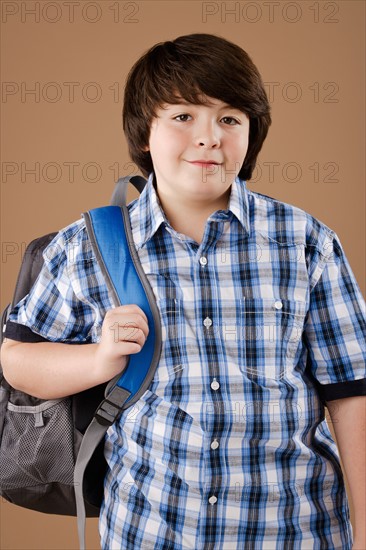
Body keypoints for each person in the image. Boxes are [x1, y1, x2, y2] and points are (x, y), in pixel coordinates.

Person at [1, 33, 365, 550]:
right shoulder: (88, 245)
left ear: (251, 134)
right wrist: (98, 360)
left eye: (230, 119)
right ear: (143, 132)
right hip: (150, 529)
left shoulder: (306, 242)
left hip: (295, 529)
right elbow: (17, 359)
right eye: (183, 116)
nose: (208, 137)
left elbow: (353, 393)